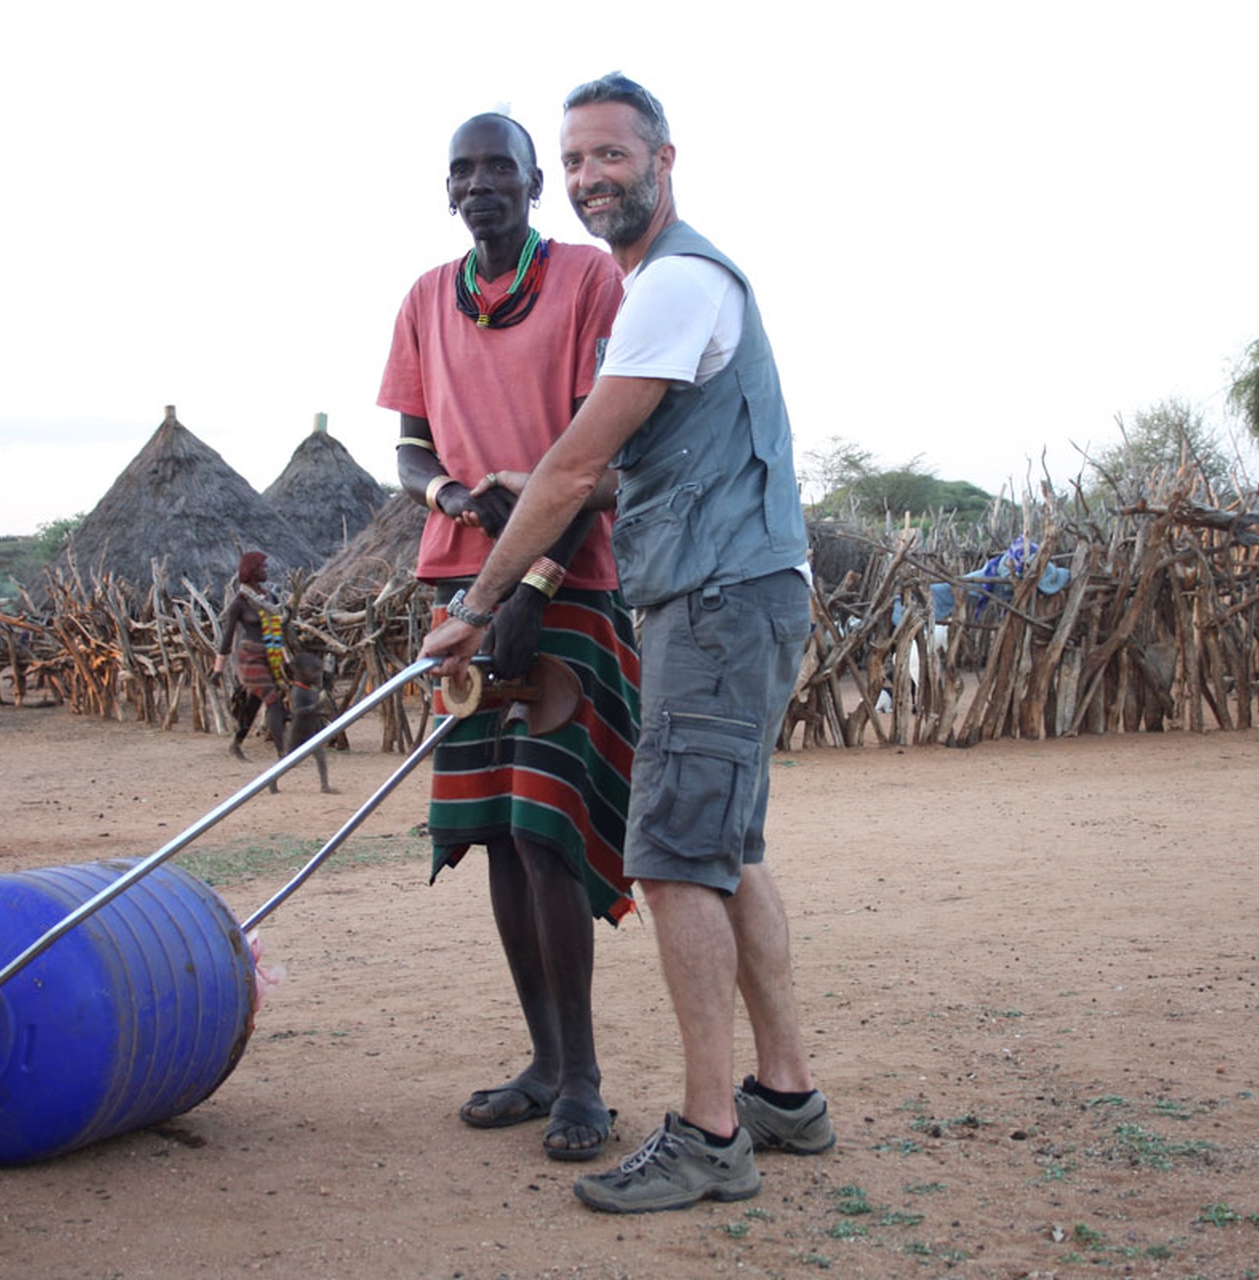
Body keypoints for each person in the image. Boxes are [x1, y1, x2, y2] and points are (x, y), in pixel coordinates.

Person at [420, 74, 834, 1214]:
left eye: (613, 155)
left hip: (712, 597)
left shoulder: (671, 284)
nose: (596, 176)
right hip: (741, 590)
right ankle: (785, 1092)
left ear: (663, 157)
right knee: (730, 848)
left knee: (666, 856)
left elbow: (571, 467)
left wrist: (474, 604)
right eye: (581, 159)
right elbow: (617, 460)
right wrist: (521, 481)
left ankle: (709, 1132)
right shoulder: (675, 286)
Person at [379, 111, 638, 1162]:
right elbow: (407, 448)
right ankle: (542, 1062)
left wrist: (530, 570)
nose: (480, 183)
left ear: (534, 182)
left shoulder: (586, 282)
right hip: (459, 590)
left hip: (565, 585)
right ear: (448, 191)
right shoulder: (424, 298)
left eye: (501, 167)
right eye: (462, 170)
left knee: (546, 829)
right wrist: (456, 497)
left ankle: (584, 1078)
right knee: (492, 825)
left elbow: (602, 451)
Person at [213, 551, 289, 789]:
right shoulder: (239, 602)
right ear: (252, 569)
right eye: (263, 566)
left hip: (272, 656)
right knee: (274, 701)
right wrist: (218, 670)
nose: (267, 570)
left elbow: (278, 633)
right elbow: (227, 639)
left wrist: (285, 662)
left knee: (255, 703)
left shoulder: (272, 598)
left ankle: (236, 743)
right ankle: (283, 757)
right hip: (250, 659)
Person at [282, 650, 339, 794]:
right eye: (313, 672)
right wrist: (317, 707)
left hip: (311, 732)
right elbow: (298, 712)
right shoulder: (298, 691)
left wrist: (323, 712)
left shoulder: (310, 690)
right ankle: (271, 780)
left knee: (321, 757)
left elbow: (312, 711)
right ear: (301, 673)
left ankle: (324, 785)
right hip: (298, 732)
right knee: (288, 762)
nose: (316, 675)